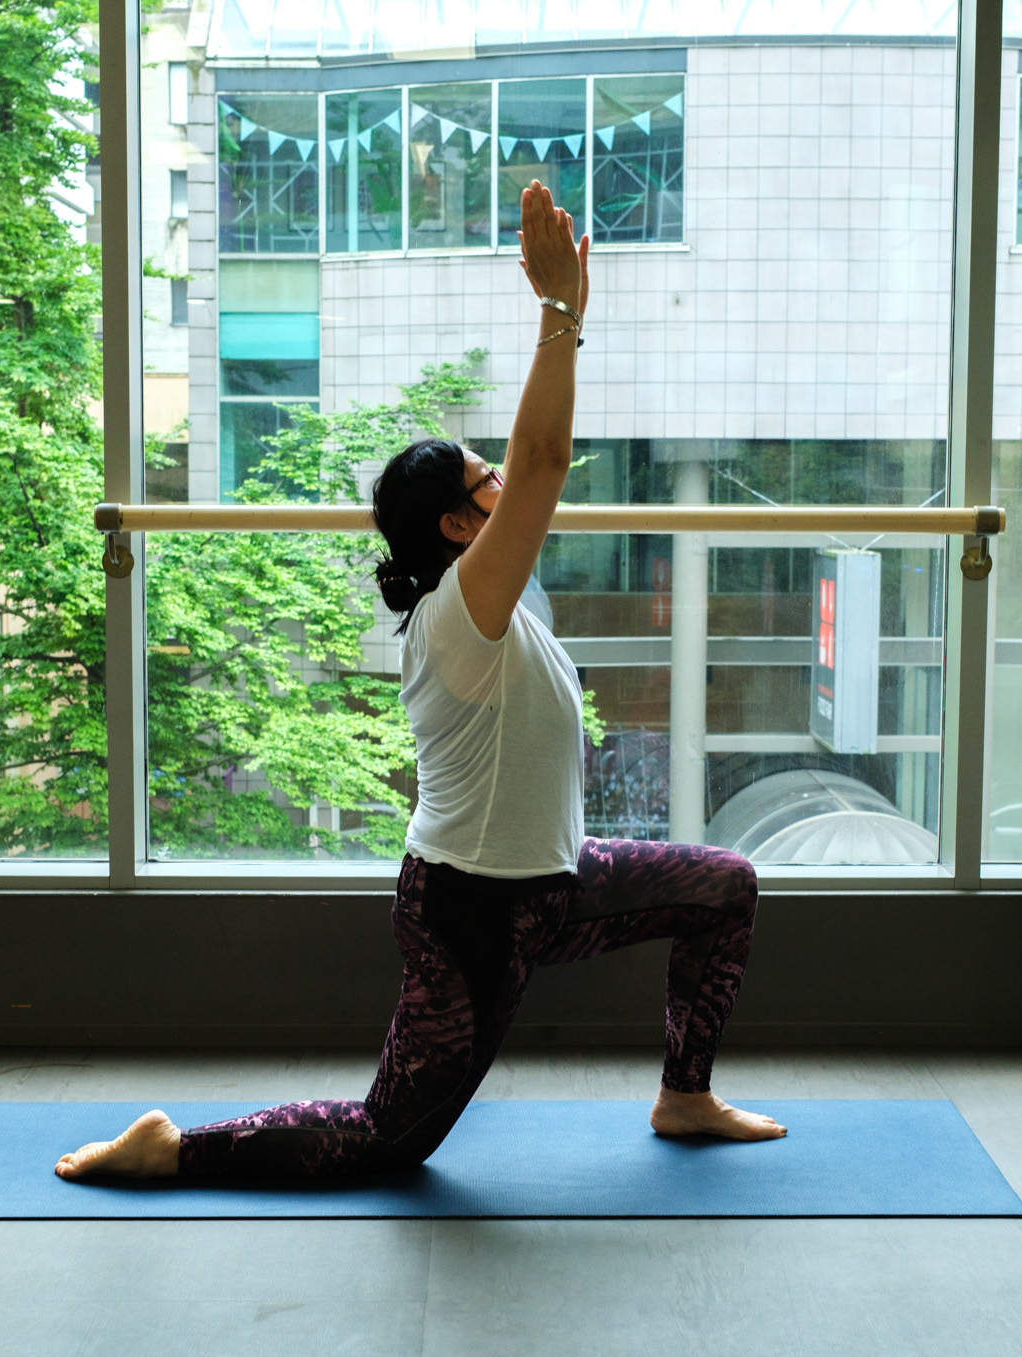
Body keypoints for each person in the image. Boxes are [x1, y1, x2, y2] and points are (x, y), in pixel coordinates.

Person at [56, 181, 783, 1185]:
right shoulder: (461, 613)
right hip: (472, 910)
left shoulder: (495, 606)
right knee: (388, 1138)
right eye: (482, 482)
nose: (503, 488)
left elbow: (527, 471)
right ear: (455, 525)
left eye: (491, 474)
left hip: (557, 884)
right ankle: (174, 1148)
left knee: (724, 888)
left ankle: (685, 1095)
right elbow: (545, 458)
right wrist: (561, 312)